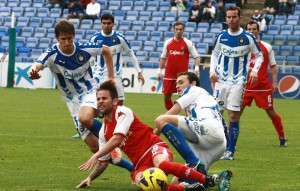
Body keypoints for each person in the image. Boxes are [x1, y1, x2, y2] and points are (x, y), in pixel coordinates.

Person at [76, 80, 229, 191]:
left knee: (161, 164)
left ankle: (206, 179)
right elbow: (103, 162)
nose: (100, 102)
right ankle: (190, 189)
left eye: (104, 98)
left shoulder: (123, 112)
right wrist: (90, 178)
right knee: (143, 184)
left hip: (154, 147)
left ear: (114, 101)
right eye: (98, 99)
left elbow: (118, 138)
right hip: (140, 163)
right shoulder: (103, 132)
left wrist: (95, 155)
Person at [28, 19, 133, 172]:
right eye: (63, 39)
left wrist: (111, 77)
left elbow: (106, 50)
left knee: (85, 118)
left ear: (74, 36)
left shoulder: (84, 49)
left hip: (90, 91)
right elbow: (37, 64)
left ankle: (113, 136)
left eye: (70, 38)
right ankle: (133, 168)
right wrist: (34, 72)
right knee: (94, 147)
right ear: (57, 38)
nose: (67, 42)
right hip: (71, 100)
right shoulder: (51, 54)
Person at [155, 72, 232, 190]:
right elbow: (223, 125)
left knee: (161, 120)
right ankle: (216, 179)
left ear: (193, 83)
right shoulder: (204, 98)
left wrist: (153, 138)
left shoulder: (193, 90)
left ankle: (193, 161)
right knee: (179, 182)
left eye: (181, 82)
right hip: (217, 144)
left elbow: (172, 112)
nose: (177, 86)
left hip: (207, 129)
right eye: (176, 83)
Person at [209, 6, 263, 160]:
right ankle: (221, 146)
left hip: (238, 81)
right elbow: (215, 54)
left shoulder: (248, 37)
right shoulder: (221, 36)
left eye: (234, 17)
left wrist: (254, 70)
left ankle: (230, 151)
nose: (231, 20)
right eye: (228, 17)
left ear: (240, 18)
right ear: (225, 18)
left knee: (233, 115)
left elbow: (259, 56)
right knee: (217, 115)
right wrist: (212, 71)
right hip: (220, 81)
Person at [242, 21, 287, 147]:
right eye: (249, 29)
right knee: (235, 114)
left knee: (271, 111)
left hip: (262, 86)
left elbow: (273, 66)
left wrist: (275, 83)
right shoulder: (240, 47)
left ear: (258, 30)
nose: (251, 31)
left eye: (254, 29)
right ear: (246, 31)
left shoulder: (267, 47)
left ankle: (282, 136)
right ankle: (229, 142)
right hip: (244, 86)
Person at [90, 14, 145, 106]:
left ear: (113, 24)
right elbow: (89, 56)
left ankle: (116, 120)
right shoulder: (94, 38)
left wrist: (139, 72)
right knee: (96, 104)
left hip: (116, 76)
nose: (106, 26)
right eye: (104, 23)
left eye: (109, 23)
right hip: (98, 76)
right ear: (101, 24)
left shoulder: (120, 39)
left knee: (119, 103)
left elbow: (131, 54)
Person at [158, 21, 200, 111]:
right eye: (177, 29)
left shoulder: (188, 43)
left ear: (183, 30)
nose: (178, 31)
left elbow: (196, 57)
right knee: (166, 98)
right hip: (169, 75)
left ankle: (188, 118)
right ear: (174, 30)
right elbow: (163, 58)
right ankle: (171, 116)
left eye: (180, 29)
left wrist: (196, 70)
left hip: (182, 77)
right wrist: (159, 71)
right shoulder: (168, 43)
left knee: (185, 98)